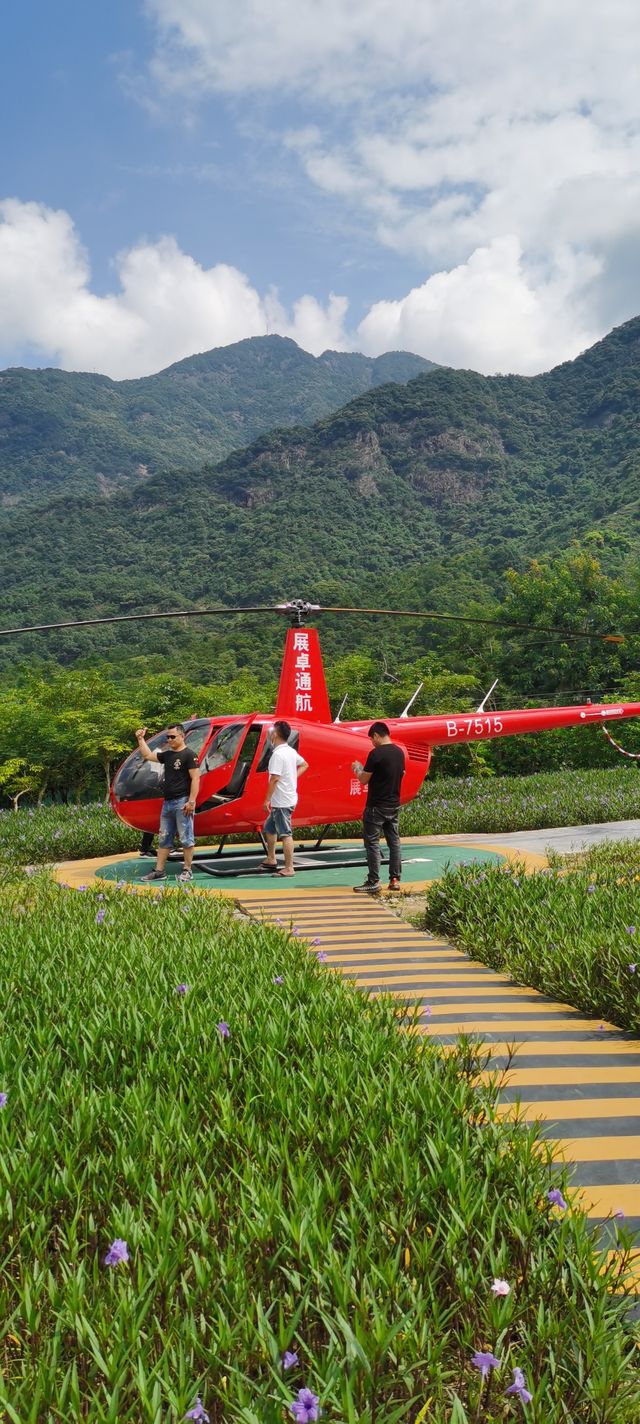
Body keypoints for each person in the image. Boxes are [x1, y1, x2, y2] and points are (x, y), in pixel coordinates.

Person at [134, 724, 200, 883]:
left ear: (182, 736)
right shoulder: (168, 755)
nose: (169, 739)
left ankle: (187, 870)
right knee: (164, 837)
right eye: (168, 737)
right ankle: (159, 870)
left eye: (173, 737)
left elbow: (196, 778)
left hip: (182, 802)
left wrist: (191, 801)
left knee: (186, 837)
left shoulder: (189, 755)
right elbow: (148, 755)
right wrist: (140, 739)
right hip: (168, 803)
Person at [351, 721, 405, 894]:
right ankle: (395, 879)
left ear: (376, 735)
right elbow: (401, 774)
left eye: (372, 739)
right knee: (394, 842)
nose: (372, 743)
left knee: (373, 843)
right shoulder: (399, 752)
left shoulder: (376, 754)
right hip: (394, 805)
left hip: (376, 807)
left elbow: (363, 779)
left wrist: (357, 769)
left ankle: (373, 881)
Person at [261, 720, 308, 877]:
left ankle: (289, 868)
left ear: (275, 734)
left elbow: (274, 779)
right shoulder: (290, 751)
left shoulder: (278, 755)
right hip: (285, 799)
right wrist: (293, 777)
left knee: (285, 834)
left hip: (282, 801)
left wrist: (266, 800)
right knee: (269, 827)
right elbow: (305, 765)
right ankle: (271, 858)